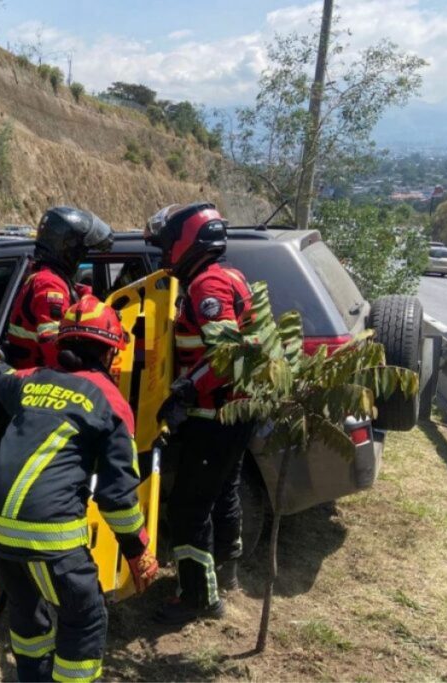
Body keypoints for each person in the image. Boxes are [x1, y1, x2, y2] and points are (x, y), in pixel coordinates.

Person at [0, 296, 159, 683]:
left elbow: (1, 377)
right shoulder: (111, 402)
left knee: (25, 604)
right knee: (84, 617)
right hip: (46, 528)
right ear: (109, 353)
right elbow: (117, 497)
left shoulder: (34, 380)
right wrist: (138, 551)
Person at [143, 202, 254, 625]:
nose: (165, 253)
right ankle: (227, 573)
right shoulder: (230, 275)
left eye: (168, 244)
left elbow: (225, 354)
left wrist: (185, 390)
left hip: (214, 414)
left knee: (189, 508)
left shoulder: (207, 286)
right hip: (234, 411)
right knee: (223, 491)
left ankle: (197, 598)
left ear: (188, 241)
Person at [5, 207, 113, 369]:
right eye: (81, 251)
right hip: (37, 378)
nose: (82, 256)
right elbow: (55, 349)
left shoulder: (49, 276)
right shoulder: (49, 284)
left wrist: (100, 303)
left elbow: (74, 292)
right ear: (66, 249)